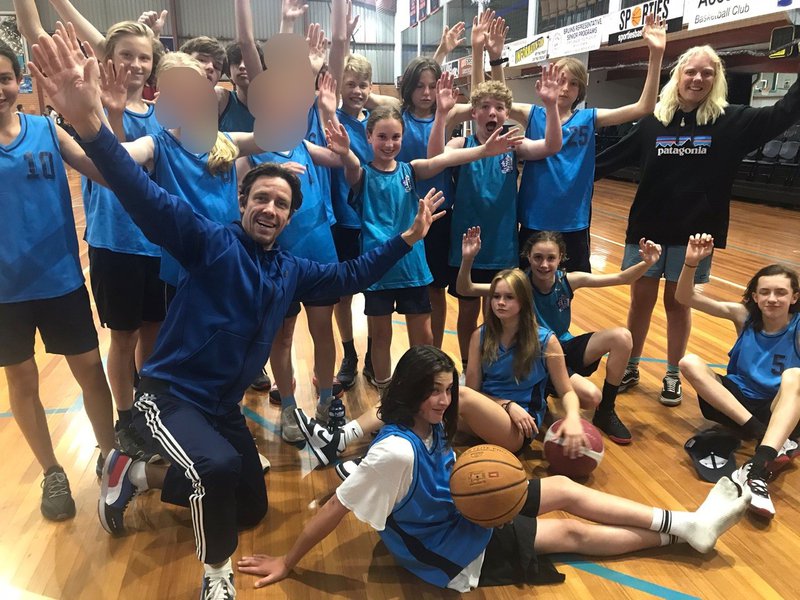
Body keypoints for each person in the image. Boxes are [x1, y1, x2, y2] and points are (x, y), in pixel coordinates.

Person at [28, 26, 444, 599]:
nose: (269, 208)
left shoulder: (291, 269)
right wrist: (92, 127)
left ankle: (136, 474)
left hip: (220, 407)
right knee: (216, 471)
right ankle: (216, 576)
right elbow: (138, 192)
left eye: (280, 202)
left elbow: (350, 275)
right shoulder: (208, 241)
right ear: (243, 203)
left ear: (289, 215)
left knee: (247, 504)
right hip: (169, 397)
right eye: (260, 199)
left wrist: (407, 237)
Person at [238, 345, 750, 592]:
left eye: (447, 389)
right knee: (568, 524)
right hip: (445, 548)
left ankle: (686, 528)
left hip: (456, 511)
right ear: (411, 391)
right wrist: (287, 561)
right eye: (432, 390)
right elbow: (335, 509)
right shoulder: (394, 452)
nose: (443, 400)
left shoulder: (431, 424)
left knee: (565, 498)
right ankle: (684, 530)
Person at [595, 44, 800, 407]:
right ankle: (631, 364)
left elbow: (783, 113)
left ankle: (672, 373)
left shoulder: (731, 121)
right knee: (639, 302)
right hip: (646, 229)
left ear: (716, 79)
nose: (698, 78)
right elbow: (606, 161)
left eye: (707, 73)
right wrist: (554, 164)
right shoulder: (653, 122)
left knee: (679, 304)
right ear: (678, 76)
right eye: (691, 71)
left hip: (696, 237)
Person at [337, 100, 547, 395]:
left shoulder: (411, 170)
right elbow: (350, 165)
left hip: (413, 268)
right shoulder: (362, 175)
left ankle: (420, 391)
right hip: (379, 271)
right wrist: (345, 150)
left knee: (423, 336)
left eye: (395, 137)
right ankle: (385, 394)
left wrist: (485, 150)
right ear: (369, 137)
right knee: (380, 337)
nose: (389, 143)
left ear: (403, 138)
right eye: (381, 137)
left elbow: (445, 161)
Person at [38, 0, 167, 461]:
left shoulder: (160, 113)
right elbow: (114, 163)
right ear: (107, 59)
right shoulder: (89, 107)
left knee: (153, 332)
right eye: (125, 55)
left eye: (143, 56)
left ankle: (149, 408)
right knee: (125, 336)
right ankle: (128, 414)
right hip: (116, 242)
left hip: (157, 242)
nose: (134, 64)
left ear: (154, 64)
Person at [0, 36, 115, 521]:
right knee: (22, 380)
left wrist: (100, 117)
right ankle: (51, 471)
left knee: (90, 372)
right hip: (5, 295)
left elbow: (104, 169)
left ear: (19, 78)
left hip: (60, 281)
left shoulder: (46, 129)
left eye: (3, 78)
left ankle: (112, 459)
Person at [458, 228, 661, 444]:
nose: (544, 264)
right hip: (532, 352)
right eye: (537, 257)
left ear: (561, 258)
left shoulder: (569, 281)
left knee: (620, 340)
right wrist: (468, 259)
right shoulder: (517, 286)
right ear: (528, 257)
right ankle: (537, 388)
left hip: (556, 347)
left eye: (550, 258)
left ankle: (606, 411)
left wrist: (648, 263)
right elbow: (466, 288)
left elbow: (622, 277)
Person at [508, 15, 666, 273]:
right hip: (535, 218)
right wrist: (493, 58)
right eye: (561, 80)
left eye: (573, 83)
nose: (566, 88)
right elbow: (496, 98)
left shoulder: (589, 118)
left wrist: (656, 54)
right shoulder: (533, 114)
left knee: (567, 291)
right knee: (526, 288)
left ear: (580, 90)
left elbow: (644, 107)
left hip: (574, 221)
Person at [437, 68, 563, 377]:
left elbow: (551, 146)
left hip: (502, 245)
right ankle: (468, 368)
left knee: (498, 311)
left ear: (506, 113)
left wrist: (551, 106)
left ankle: (491, 364)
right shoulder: (460, 145)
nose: (492, 112)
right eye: (485, 107)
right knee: (467, 309)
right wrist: (443, 115)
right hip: (466, 246)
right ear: (475, 113)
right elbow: (433, 155)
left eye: (499, 107)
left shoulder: (514, 145)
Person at [676, 233, 800, 518]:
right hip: (736, 407)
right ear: (754, 296)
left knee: (795, 376)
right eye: (765, 292)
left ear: (794, 297)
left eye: (781, 292)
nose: (772, 299)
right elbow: (684, 297)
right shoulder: (743, 315)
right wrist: (691, 264)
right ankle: (763, 436)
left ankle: (759, 463)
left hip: (779, 410)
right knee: (690, 361)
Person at [466, 269, 584, 445]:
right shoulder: (480, 335)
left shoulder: (546, 340)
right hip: (489, 409)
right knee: (436, 402)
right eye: (496, 296)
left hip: (521, 424)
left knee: (458, 395)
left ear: (524, 300)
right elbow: (473, 391)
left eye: (509, 297)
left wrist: (573, 418)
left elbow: (567, 391)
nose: (500, 303)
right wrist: (506, 404)